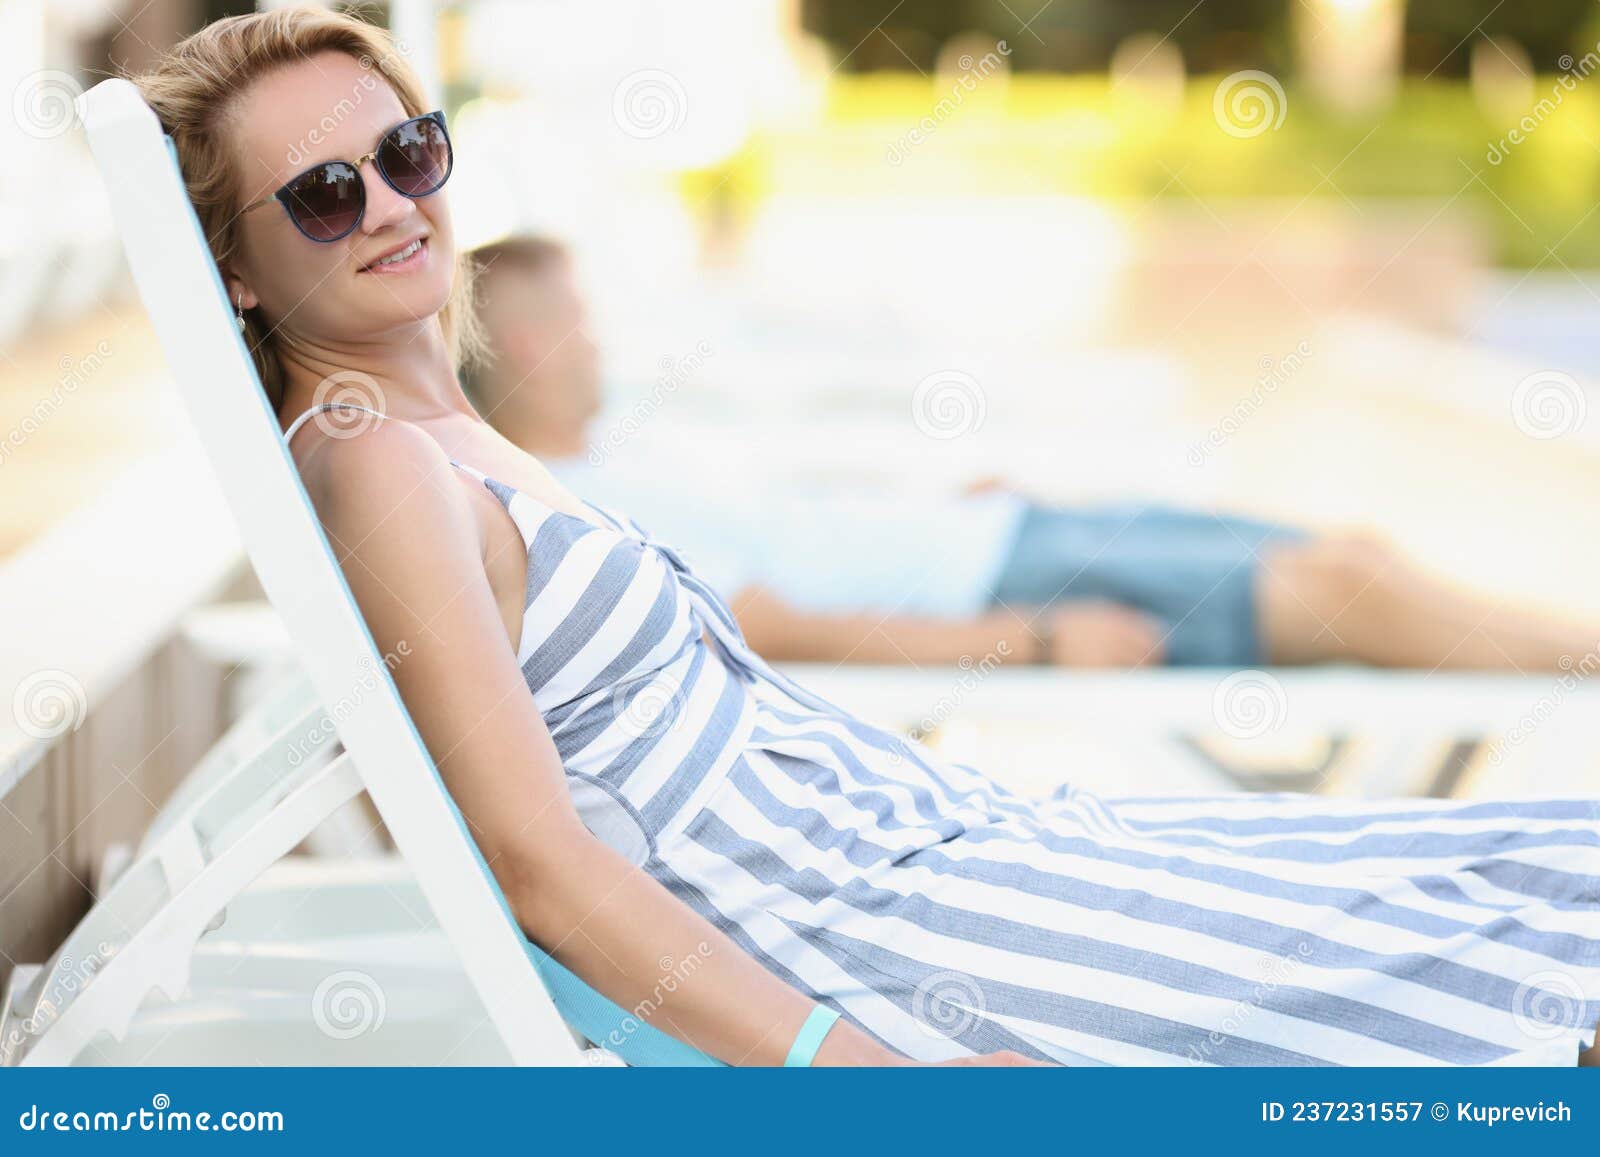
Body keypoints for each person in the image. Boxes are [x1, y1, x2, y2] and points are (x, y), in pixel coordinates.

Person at [134, 6, 1600, 1067]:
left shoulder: (452, 438)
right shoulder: (380, 467)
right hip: (912, 940)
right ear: (239, 274)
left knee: (1487, 879)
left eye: (408, 152)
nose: (391, 203)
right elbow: (544, 869)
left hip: (962, 857)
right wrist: (854, 1080)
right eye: (326, 195)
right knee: (1478, 944)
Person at [467, 234, 1599, 673]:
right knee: (1344, 590)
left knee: (1356, 549)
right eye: (580, 315)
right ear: (530, 340)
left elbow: (797, 526)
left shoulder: (628, 438)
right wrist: (1037, 638)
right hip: (1008, 582)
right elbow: (772, 626)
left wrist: (940, 500)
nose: (601, 334)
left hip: (997, 530)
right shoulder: (591, 497)